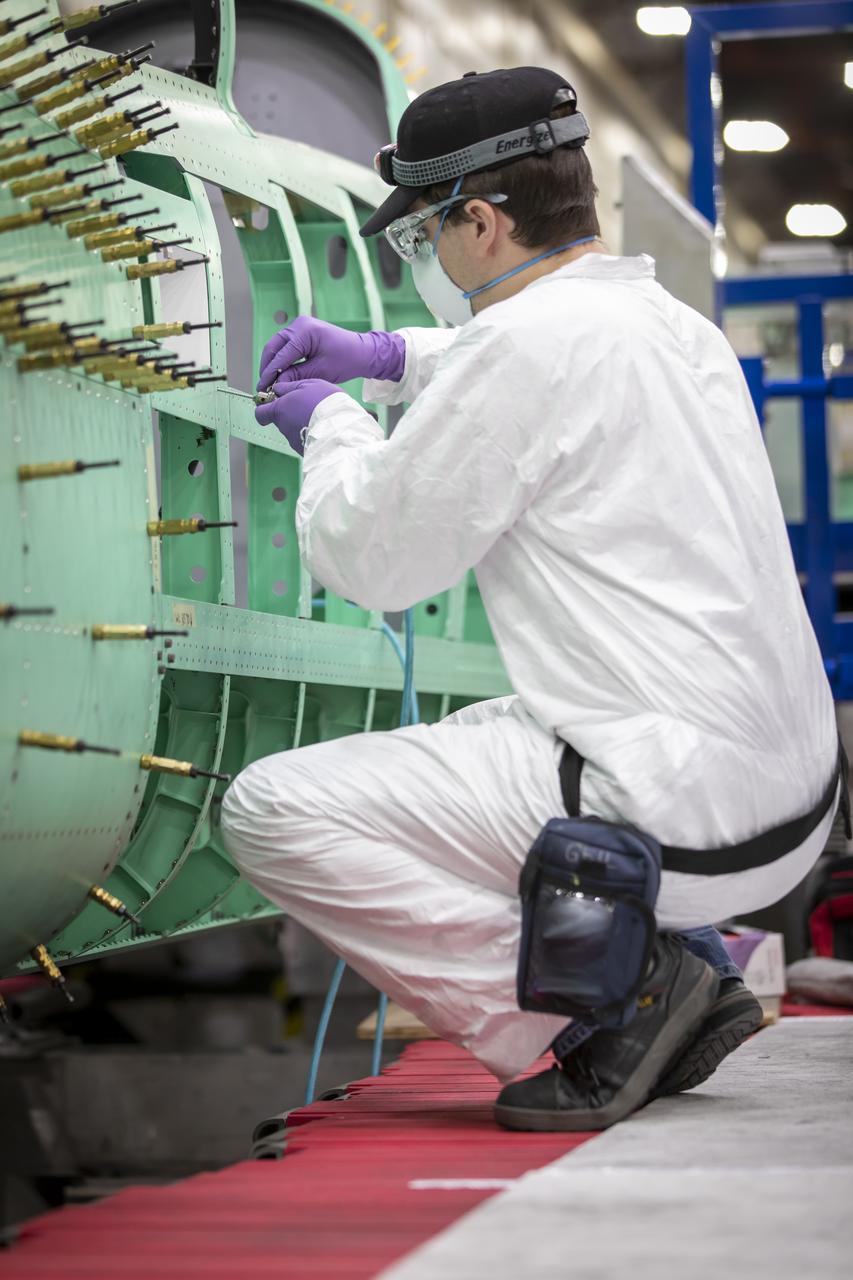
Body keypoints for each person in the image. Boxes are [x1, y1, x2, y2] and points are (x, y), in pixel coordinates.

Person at [221, 67, 842, 1131]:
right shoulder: (668, 324)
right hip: (790, 804)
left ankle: (602, 1016)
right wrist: (386, 357)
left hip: (675, 815)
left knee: (273, 807)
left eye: (419, 236)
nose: (421, 258)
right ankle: (681, 958)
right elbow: (522, 367)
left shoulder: (524, 346)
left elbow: (368, 556)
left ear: (478, 218)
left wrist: (331, 422)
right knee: (483, 733)